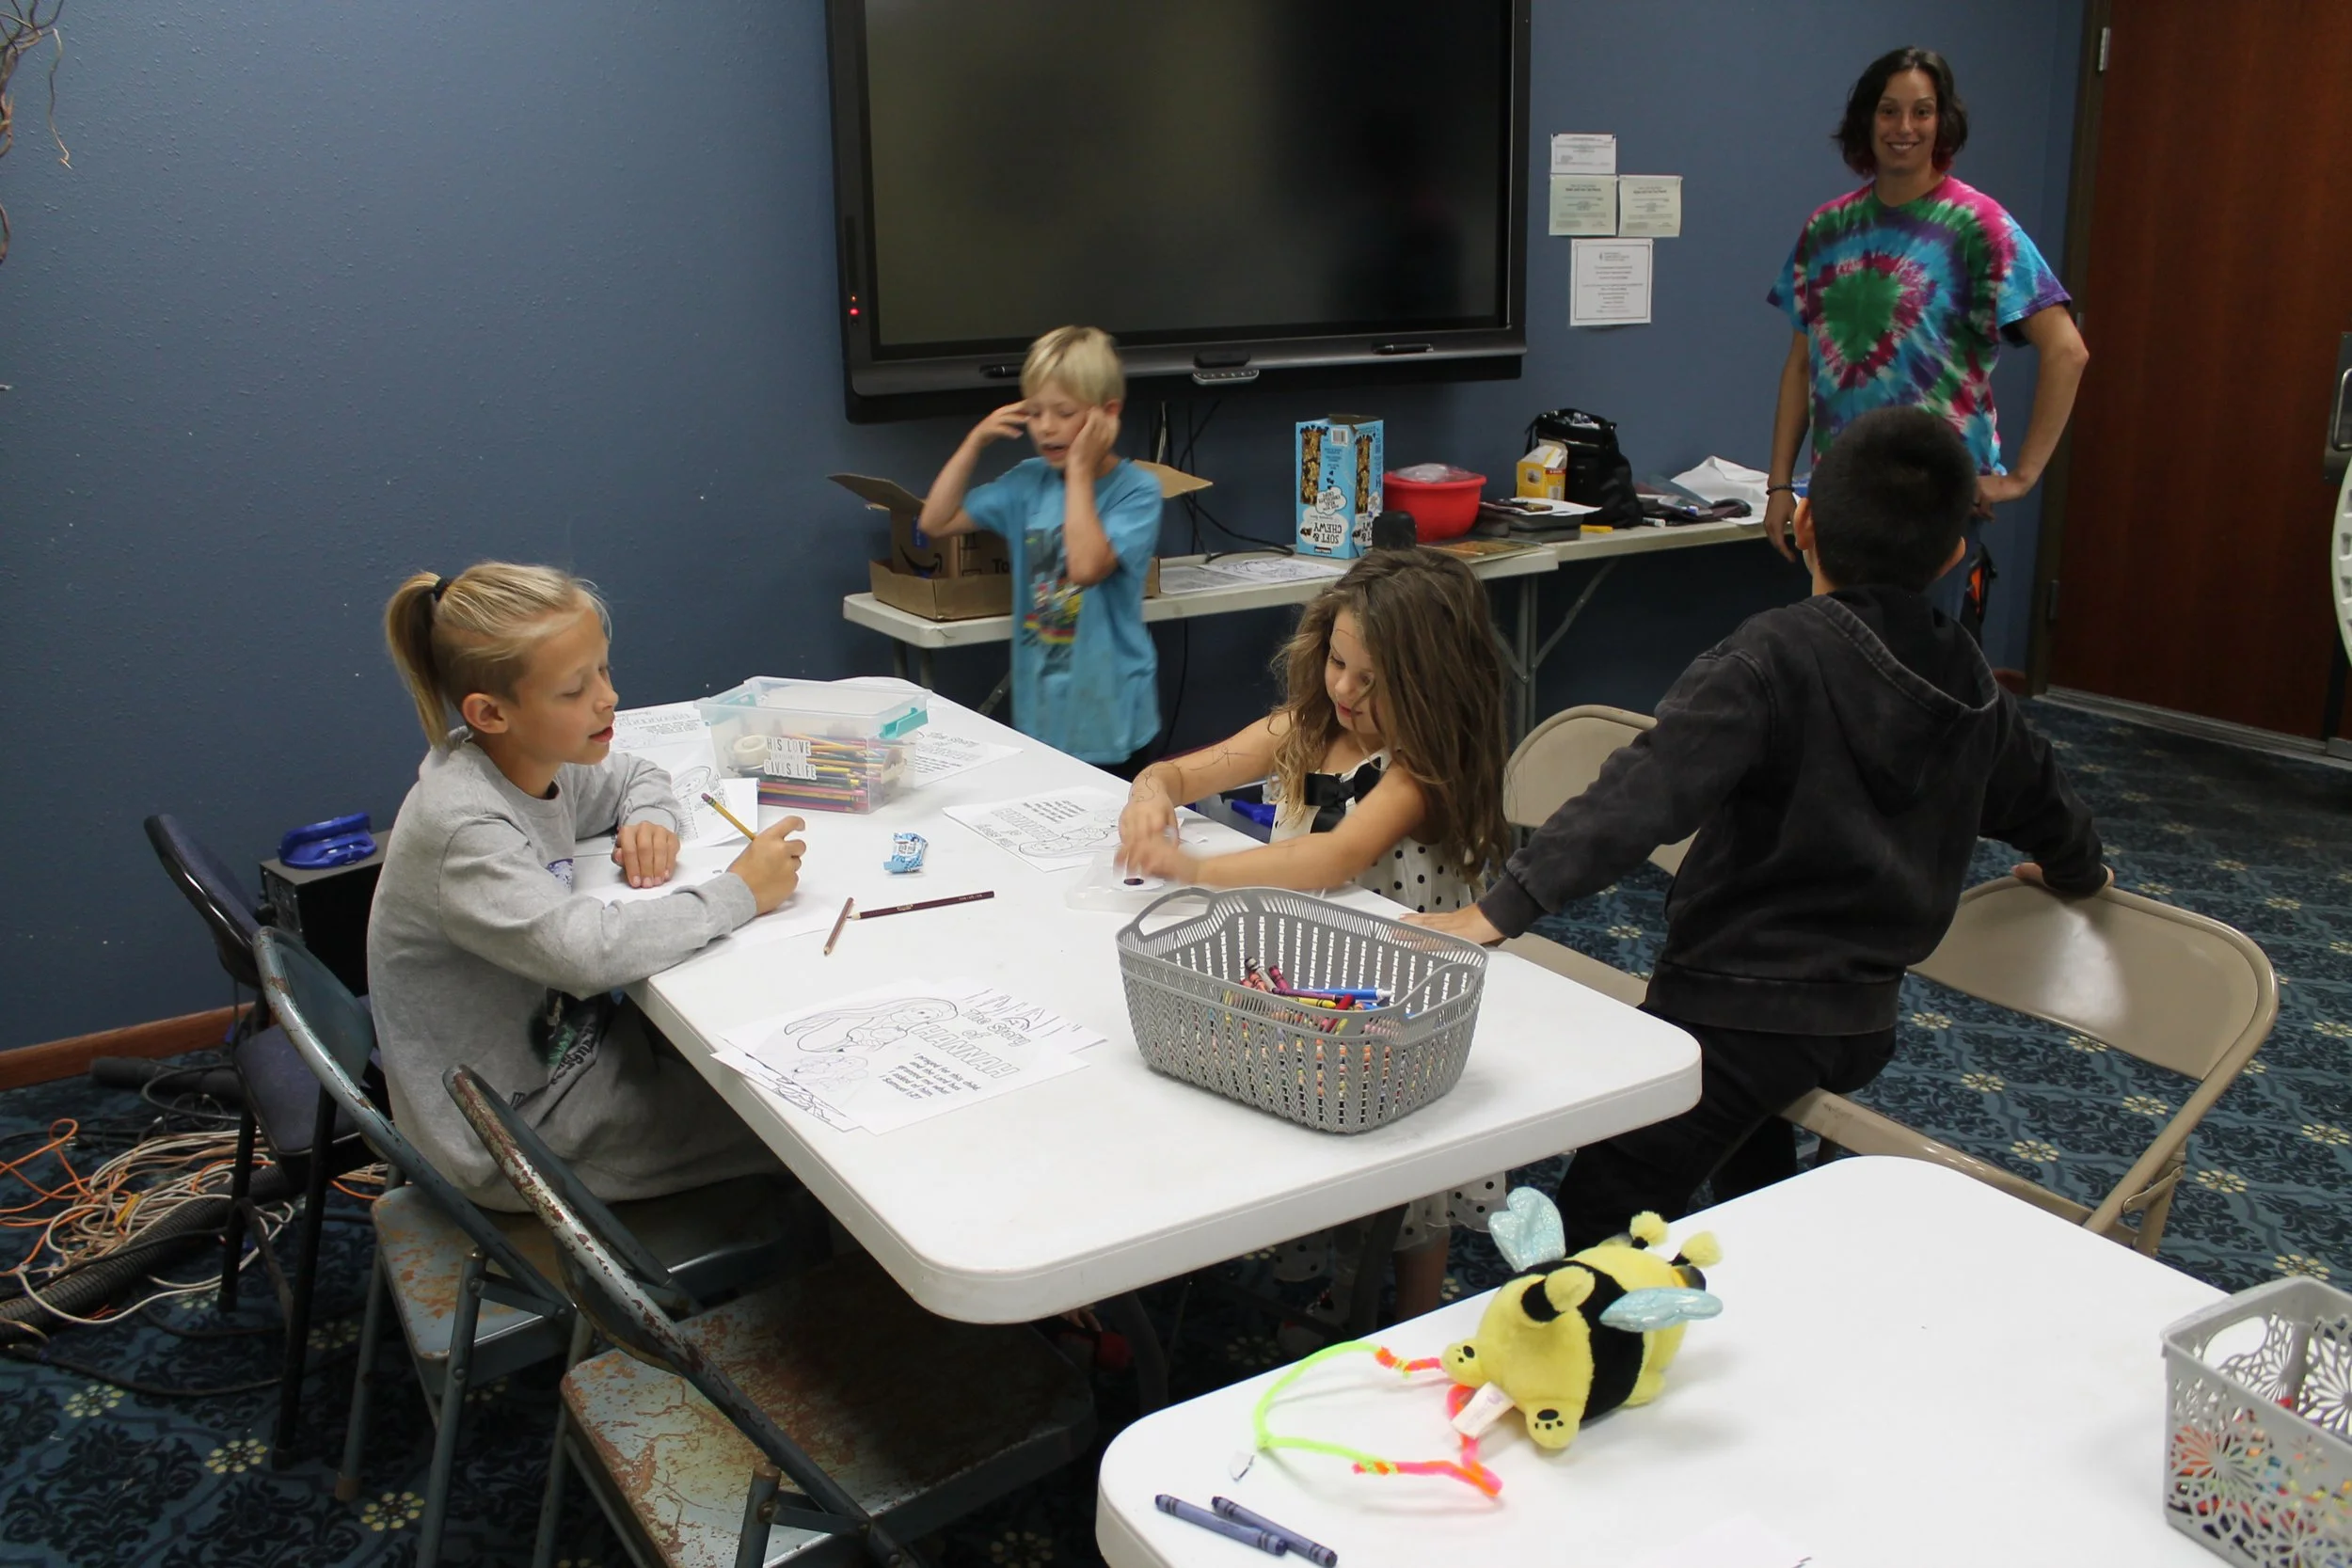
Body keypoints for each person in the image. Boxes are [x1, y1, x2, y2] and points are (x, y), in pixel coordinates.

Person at [1411, 408, 2109, 1251]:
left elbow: (1645, 791)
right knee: (1750, 1163)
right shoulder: (1973, 682)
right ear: (1954, 553)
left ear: (1803, 524)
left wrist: (1502, 907)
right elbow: (2044, 799)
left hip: (1730, 1009)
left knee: (1595, 1212)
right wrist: (2079, 871)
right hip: (1862, 1022)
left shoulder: (1773, 655)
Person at [1119, 548, 1514, 1318]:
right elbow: (1179, 773)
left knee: (1411, 1177)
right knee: (1322, 1123)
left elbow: (1334, 857)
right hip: (1315, 974)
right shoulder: (1304, 727)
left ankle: (1419, 1315)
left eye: (1373, 680)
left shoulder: (1420, 769)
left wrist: (1195, 870)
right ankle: (1339, 1289)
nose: (1344, 690)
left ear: (1430, 682)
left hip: (1403, 989)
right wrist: (1149, 796)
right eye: (1337, 662)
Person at [368, 562, 810, 1208]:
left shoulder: (530, 759)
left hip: (579, 1055)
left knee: (767, 1055)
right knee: (802, 1129)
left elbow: (636, 775)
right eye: (575, 689)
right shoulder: (463, 825)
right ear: (490, 712)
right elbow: (584, 953)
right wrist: (741, 890)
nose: (609, 698)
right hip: (521, 1132)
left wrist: (650, 819)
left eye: (603, 670)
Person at [1762, 46, 2090, 624]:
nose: (1904, 128)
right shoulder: (1828, 228)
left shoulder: (1978, 226)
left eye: (1922, 111)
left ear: (1942, 122)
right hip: (1843, 496)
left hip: (1932, 500)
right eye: (1889, 111)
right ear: (1867, 120)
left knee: (1919, 664)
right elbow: (1801, 363)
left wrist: (2020, 478)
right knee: (1839, 658)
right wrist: (1780, 485)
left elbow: (2068, 350)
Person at [918, 325, 1165, 773]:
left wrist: (1079, 471)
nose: (1046, 427)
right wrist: (975, 441)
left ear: (1108, 414)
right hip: (1041, 717)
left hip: (1110, 720)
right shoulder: (1026, 482)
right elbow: (935, 521)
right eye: (1034, 412)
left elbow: (1086, 567)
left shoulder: (1137, 492)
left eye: (1064, 413)